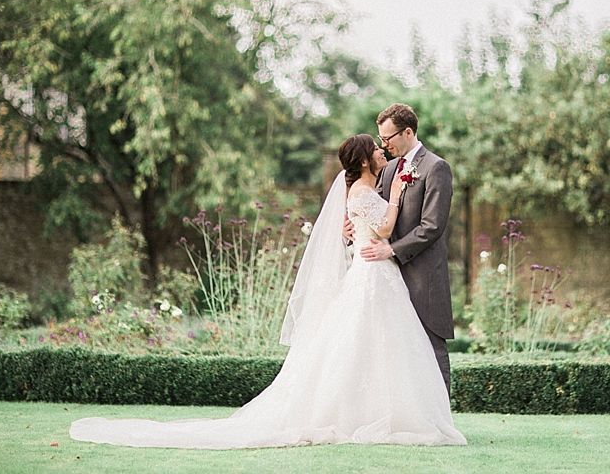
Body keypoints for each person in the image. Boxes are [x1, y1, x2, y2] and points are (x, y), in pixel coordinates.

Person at [69, 134, 466, 449]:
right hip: (373, 273)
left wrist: (367, 224)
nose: (383, 152)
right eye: (377, 148)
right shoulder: (368, 189)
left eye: (386, 143)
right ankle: (363, 415)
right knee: (364, 343)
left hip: (379, 273)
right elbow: (379, 228)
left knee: (375, 347)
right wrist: (393, 202)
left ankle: (382, 412)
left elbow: (381, 226)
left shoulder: (379, 181)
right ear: (365, 160)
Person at [344, 103, 455, 394]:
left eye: (388, 138)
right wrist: (352, 230)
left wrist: (391, 251)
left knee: (430, 347)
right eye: (380, 139)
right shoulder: (389, 168)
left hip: (423, 276)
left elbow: (432, 226)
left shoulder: (436, 168)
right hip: (385, 277)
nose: (384, 144)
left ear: (408, 131)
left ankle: (440, 420)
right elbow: (374, 211)